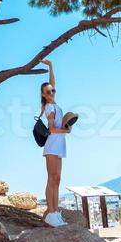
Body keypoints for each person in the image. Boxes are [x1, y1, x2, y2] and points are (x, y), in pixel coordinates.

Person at [39, 58, 77, 227]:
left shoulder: (55, 103)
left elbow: (52, 82)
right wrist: (66, 131)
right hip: (53, 144)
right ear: (43, 95)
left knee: (57, 178)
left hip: (59, 145)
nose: (51, 93)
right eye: (48, 92)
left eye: (52, 91)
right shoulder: (49, 107)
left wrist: (51, 66)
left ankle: (54, 212)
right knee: (51, 178)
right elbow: (53, 129)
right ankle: (51, 212)